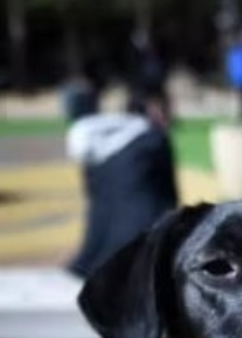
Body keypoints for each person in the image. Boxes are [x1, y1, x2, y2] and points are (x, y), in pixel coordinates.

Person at [64, 95, 179, 277]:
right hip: (136, 181)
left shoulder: (98, 131)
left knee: (107, 211)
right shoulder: (152, 137)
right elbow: (168, 190)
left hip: (102, 170)